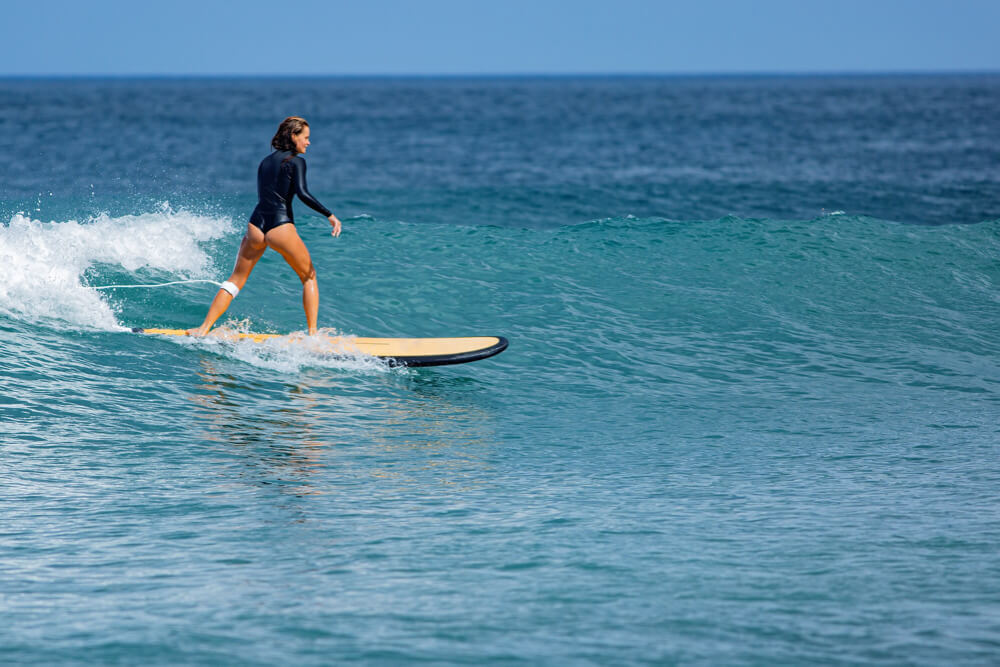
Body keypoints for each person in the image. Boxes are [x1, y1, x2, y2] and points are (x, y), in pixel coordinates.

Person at [189, 116, 342, 337]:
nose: (308, 143)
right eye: (306, 138)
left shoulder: (265, 162)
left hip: (256, 224)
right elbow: (302, 193)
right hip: (279, 225)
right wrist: (330, 215)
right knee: (309, 276)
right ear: (294, 136)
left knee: (235, 280)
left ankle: (202, 329)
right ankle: (313, 334)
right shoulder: (296, 161)